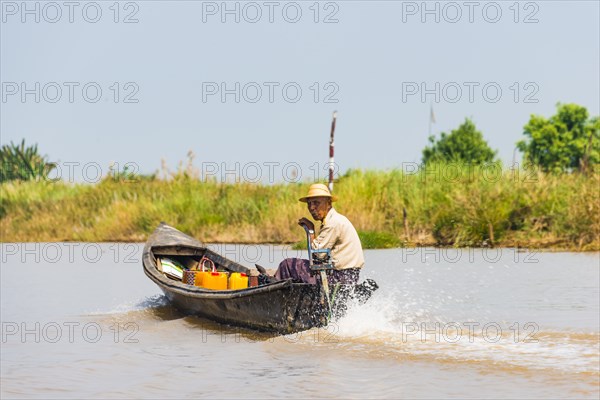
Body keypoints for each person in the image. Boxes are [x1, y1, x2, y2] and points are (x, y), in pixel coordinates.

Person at [273, 183, 365, 285]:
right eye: (309, 204)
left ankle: (272, 291)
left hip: (339, 277)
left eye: (316, 203)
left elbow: (317, 254)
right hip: (347, 276)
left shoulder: (333, 223)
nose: (312, 208)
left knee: (287, 264)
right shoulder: (335, 219)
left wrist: (311, 231)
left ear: (328, 203)